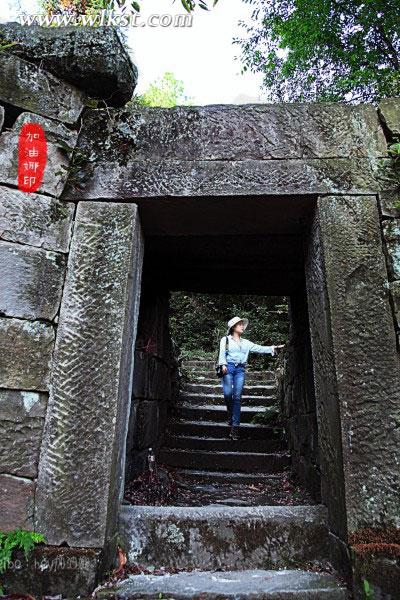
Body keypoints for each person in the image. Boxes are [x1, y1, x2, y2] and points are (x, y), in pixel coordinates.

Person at [217, 316, 285, 440]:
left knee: (237, 397)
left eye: (243, 324)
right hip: (228, 368)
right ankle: (230, 413)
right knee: (228, 394)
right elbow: (222, 352)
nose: (242, 326)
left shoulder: (246, 343)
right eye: (240, 324)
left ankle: (235, 427)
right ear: (233, 327)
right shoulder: (225, 339)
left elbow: (259, 348)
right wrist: (222, 364)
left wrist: (274, 348)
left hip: (240, 370)